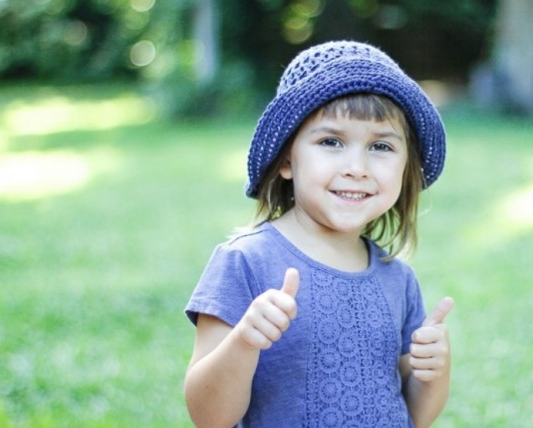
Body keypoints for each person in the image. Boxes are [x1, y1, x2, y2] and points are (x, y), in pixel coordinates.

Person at [184, 40, 453, 428]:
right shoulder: (246, 262)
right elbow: (209, 417)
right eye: (331, 142)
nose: (357, 167)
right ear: (286, 159)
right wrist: (244, 341)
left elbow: (416, 415)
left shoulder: (398, 278)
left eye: (380, 146)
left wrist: (435, 370)